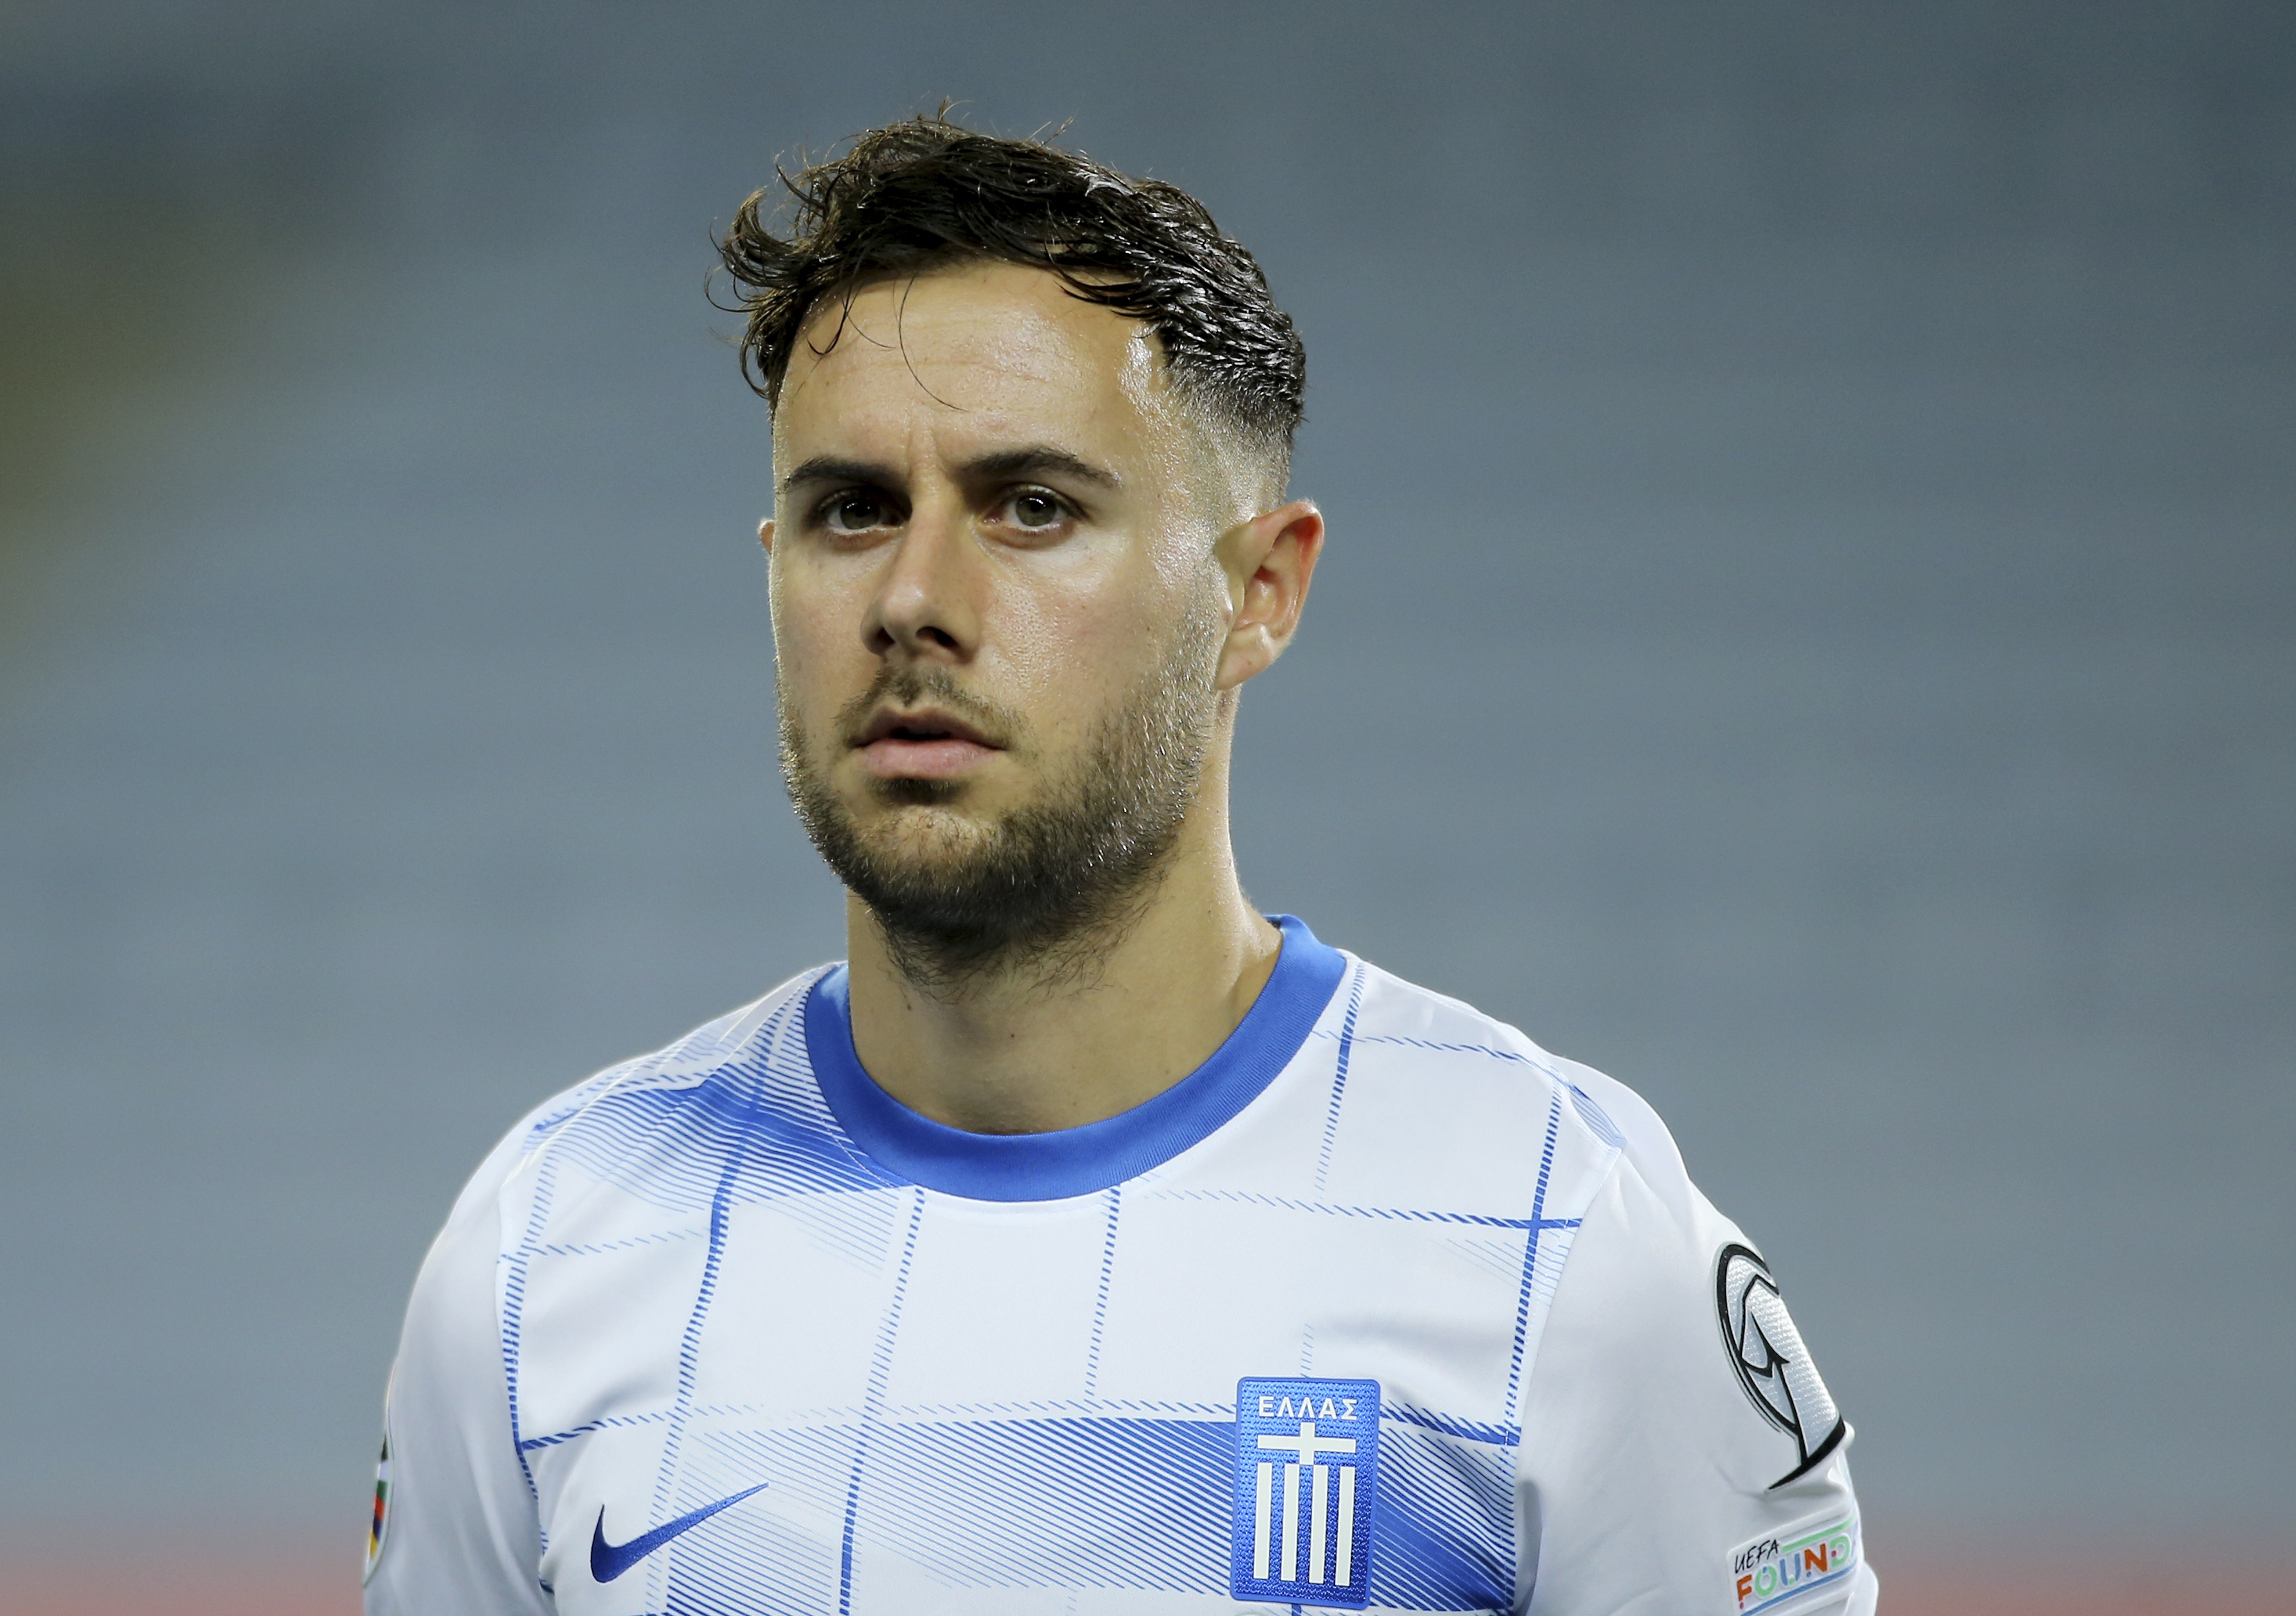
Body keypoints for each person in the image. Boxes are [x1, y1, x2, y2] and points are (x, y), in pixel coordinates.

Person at [363, 115, 1875, 1616]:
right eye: (853, 511)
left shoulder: (1566, 1240)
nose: (913, 598)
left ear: (1259, 590)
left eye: (1034, 508)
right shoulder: (545, 1252)